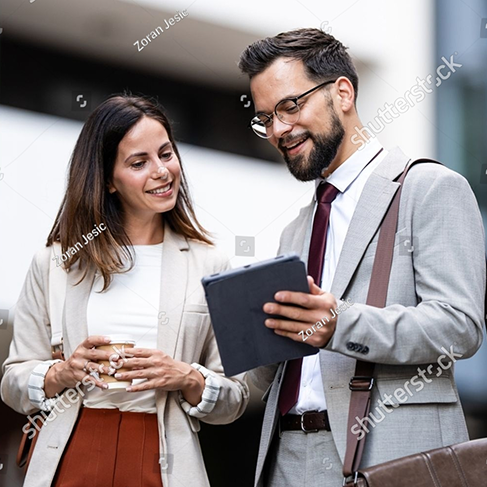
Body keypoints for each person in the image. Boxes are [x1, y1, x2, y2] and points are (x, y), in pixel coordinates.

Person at [238, 28, 486, 487]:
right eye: (265, 118)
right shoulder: (297, 229)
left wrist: (340, 323)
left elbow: (460, 326)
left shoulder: (429, 189)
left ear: (343, 93)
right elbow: (263, 376)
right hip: (285, 458)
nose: (278, 130)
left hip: (389, 454)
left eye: (290, 106)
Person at [1, 93, 249, 487]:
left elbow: (236, 398)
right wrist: (63, 372)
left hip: (165, 458)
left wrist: (185, 376)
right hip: (72, 450)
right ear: (107, 180)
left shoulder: (210, 263)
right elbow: (13, 382)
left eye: (166, 154)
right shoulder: (57, 262)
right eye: (139, 163)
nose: (162, 171)